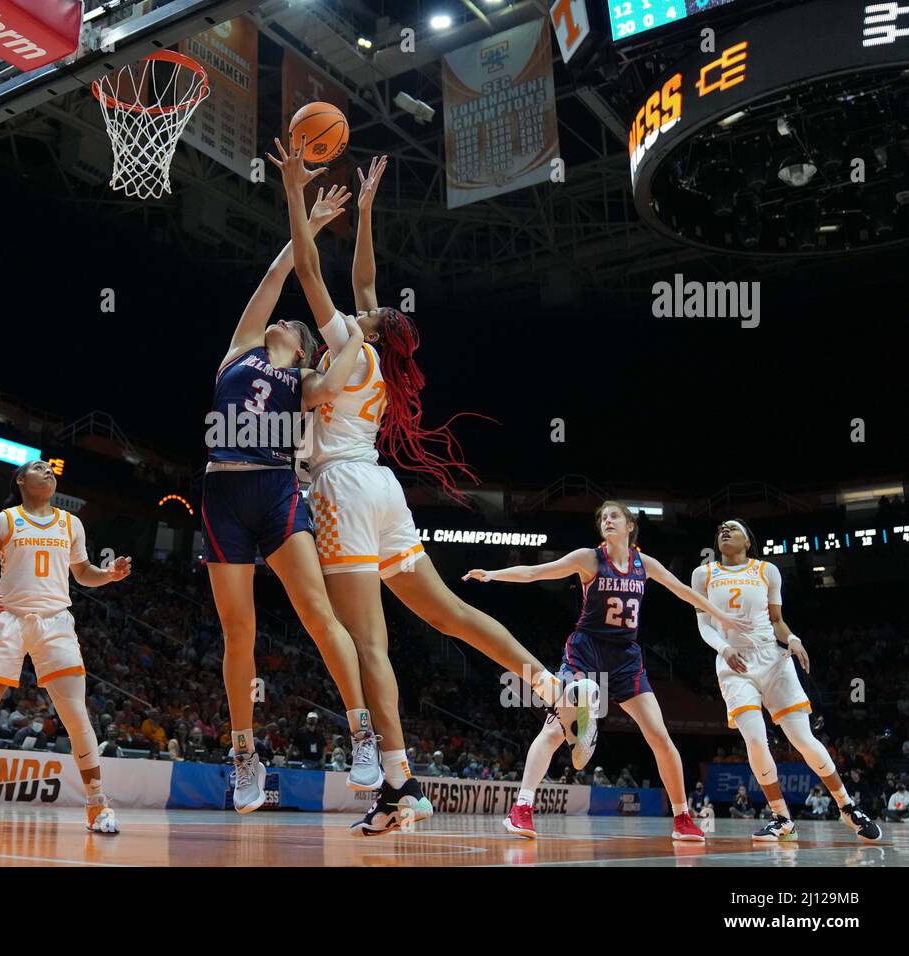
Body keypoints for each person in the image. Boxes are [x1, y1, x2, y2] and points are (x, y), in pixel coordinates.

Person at [272, 145, 591, 836]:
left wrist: (295, 195)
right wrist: (365, 213)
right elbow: (365, 280)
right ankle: (553, 688)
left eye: (375, 311)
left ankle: (400, 788)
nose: (367, 306)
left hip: (345, 493)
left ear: (377, 329)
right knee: (447, 613)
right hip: (384, 493)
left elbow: (307, 267)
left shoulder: (346, 345)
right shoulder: (373, 358)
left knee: (368, 645)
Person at [199, 181, 387, 813]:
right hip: (222, 490)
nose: (281, 319)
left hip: (277, 489)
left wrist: (359, 332)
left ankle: (361, 732)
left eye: (292, 326)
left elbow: (344, 367)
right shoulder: (238, 352)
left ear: (303, 348)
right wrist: (303, 221)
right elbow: (279, 276)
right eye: (281, 320)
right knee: (237, 630)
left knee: (316, 614)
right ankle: (244, 753)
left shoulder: (306, 380)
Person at [466, 501, 748, 842]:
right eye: (602, 517)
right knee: (555, 730)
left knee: (659, 736)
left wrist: (721, 616)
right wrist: (493, 575)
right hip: (586, 651)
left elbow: (683, 591)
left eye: (614, 516)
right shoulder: (588, 558)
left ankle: (682, 818)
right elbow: (535, 573)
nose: (607, 521)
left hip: (626, 658)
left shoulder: (645, 564)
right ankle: (522, 809)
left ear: (630, 526)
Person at [0, 460, 130, 834]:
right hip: (7, 620)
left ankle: (97, 806)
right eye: (39, 468)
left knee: (76, 717)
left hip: (54, 622)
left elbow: (82, 572)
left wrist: (109, 575)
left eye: (51, 470)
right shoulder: (3, 521)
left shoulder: (72, 523)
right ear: (20, 480)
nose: (48, 472)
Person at [692, 519, 881, 843]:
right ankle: (782, 818)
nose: (724, 530)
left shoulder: (767, 571)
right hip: (734, 662)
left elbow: (777, 621)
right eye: (721, 528)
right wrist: (724, 648)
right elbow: (704, 625)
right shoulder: (703, 574)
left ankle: (847, 808)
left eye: (733, 528)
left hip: (772, 659)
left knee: (803, 739)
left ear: (748, 541)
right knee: (754, 739)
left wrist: (793, 639)